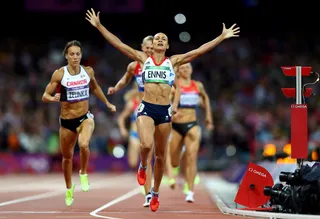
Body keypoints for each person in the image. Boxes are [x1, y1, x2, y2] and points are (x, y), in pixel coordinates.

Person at [86, 8, 239, 212]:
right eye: (156, 38)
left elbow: (199, 50)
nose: (159, 40)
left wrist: (221, 37)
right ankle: (142, 166)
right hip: (147, 108)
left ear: (167, 45)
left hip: (164, 111)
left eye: (162, 39)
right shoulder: (142, 59)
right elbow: (118, 44)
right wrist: (99, 26)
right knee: (146, 145)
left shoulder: (173, 62)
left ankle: (155, 193)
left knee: (160, 157)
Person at [42, 40, 116, 207]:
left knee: (84, 144)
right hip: (67, 121)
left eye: (78, 54)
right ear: (66, 56)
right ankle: (69, 188)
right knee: (67, 158)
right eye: (72, 54)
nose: (75, 57)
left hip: (85, 118)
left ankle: (83, 172)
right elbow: (44, 95)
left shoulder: (88, 71)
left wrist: (108, 104)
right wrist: (52, 98)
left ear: (81, 55)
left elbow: (96, 89)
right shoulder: (59, 74)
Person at [108, 36, 154, 207]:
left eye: (152, 47)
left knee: (158, 156)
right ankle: (148, 194)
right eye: (146, 47)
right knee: (145, 156)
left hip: (160, 111)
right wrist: (116, 88)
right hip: (143, 113)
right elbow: (124, 79)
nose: (149, 50)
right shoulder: (135, 66)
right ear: (142, 47)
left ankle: (152, 186)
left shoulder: (163, 64)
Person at [166, 62, 214, 203]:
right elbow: (165, 104)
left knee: (192, 158)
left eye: (188, 67)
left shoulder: (197, 85)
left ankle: (190, 191)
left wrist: (208, 116)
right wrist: (171, 115)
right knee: (174, 161)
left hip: (192, 125)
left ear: (192, 69)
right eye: (182, 68)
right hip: (176, 127)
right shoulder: (174, 86)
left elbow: (206, 98)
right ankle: (176, 168)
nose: (186, 69)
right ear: (178, 71)